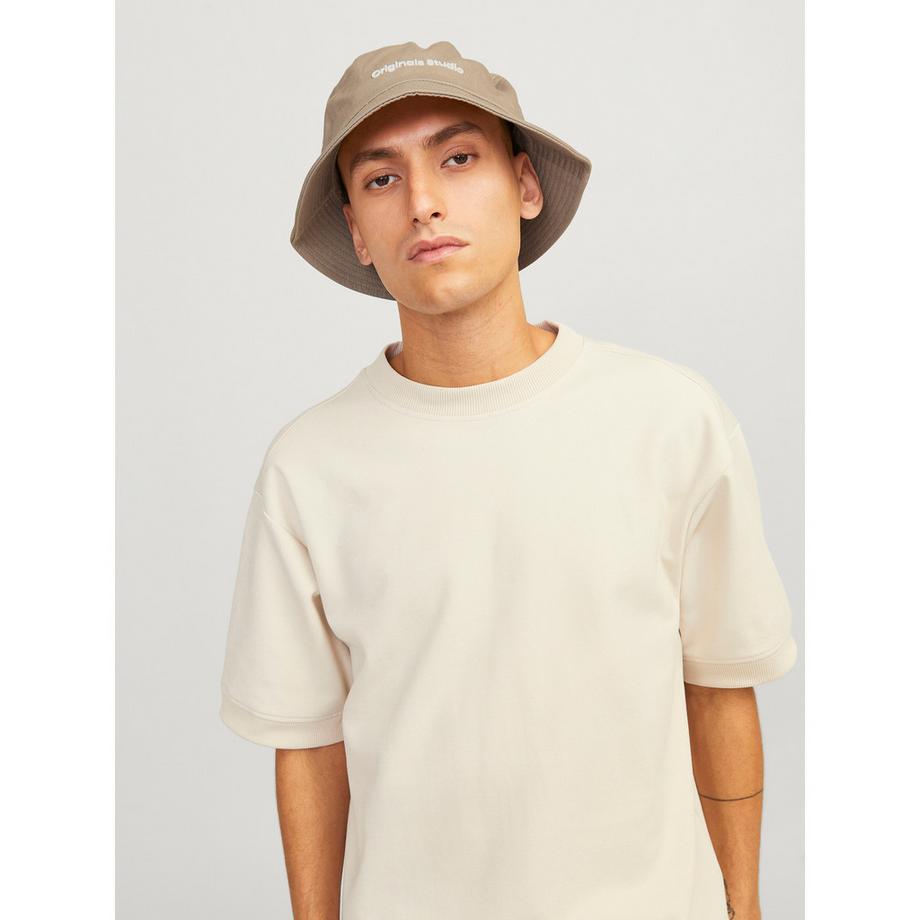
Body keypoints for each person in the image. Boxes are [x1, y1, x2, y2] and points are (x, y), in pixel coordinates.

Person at [218, 39, 798, 920]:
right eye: (381, 178)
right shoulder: (311, 466)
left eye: (458, 159)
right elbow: (308, 745)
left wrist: (743, 907)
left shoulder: (670, 420)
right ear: (358, 232)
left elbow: (719, 685)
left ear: (525, 185)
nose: (423, 202)